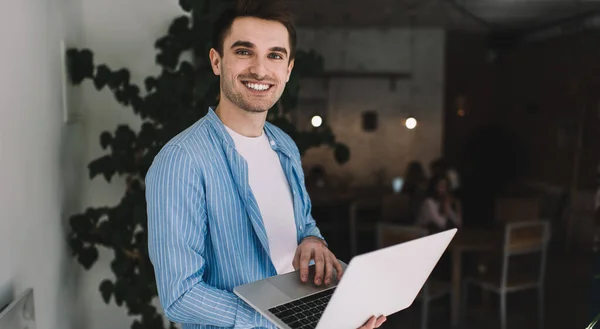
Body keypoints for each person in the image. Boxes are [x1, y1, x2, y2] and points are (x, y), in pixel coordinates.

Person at [145, 1, 387, 328]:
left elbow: (304, 226)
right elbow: (180, 296)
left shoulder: (283, 145)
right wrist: (276, 322)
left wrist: (313, 242)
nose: (260, 69)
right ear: (217, 61)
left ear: (288, 69)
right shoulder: (182, 161)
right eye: (245, 52)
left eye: (274, 55)